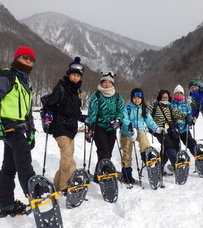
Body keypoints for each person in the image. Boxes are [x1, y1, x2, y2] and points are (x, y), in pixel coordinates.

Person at [0, 46, 36, 217]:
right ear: (16, 58)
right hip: (8, 126)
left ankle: (5, 204)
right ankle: (37, 194)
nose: (28, 61)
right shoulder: (7, 75)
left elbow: (28, 111)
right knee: (23, 159)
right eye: (25, 57)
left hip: (19, 129)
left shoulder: (26, 82)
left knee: (8, 167)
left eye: (31, 59)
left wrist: (32, 131)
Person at [42, 56, 86, 194]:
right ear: (68, 74)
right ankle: (74, 179)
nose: (75, 78)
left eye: (78, 76)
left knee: (67, 158)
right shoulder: (61, 87)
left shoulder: (77, 92)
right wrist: (48, 115)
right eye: (73, 74)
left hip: (71, 128)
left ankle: (59, 185)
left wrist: (83, 118)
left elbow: (76, 112)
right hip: (60, 128)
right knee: (67, 158)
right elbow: (50, 106)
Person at [86, 71, 125, 182]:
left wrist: (118, 120)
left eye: (109, 82)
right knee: (103, 150)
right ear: (101, 83)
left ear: (113, 84)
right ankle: (104, 172)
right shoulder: (97, 96)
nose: (107, 84)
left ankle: (100, 172)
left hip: (111, 128)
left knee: (109, 151)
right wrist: (90, 127)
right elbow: (92, 113)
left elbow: (121, 111)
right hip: (99, 127)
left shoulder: (117, 97)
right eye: (104, 82)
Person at [120, 88, 163, 184]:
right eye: (135, 98)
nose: (137, 100)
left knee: (143, 138)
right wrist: (131, 130)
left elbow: (149, 121)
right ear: (132, 98)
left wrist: (156, 128)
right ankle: (127, 175)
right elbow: (125, 120)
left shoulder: (143, 108)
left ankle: (148, 157)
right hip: (126, 132)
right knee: (127, 153)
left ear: (142, 99)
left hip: (139, 130)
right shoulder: (126, 108)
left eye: (139, 98)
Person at [148, 89, 186, 170]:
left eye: (166, 97)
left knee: (175, 142)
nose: (165, 99)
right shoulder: (154, 106)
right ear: (160, 98)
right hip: (159, 130)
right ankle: (176, 163)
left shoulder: (170, 107)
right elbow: (147, 116)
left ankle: (160, 167)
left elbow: (177, 113)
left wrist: (186, 117)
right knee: (168, 144)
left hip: (170, 129)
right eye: (163, 97)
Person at [170, 85, 197, 156]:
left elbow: (189, 115)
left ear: (183, 94)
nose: (179, 94)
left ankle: (198, 155)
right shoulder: (170, 104)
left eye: (180, 93)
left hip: (184, 129)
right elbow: (168, 117)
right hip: (174, 130)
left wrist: (191, 120)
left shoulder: (186, 105)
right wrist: (173, 121)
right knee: (175, 145)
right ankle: (177, 160)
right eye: (177, 93)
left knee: (190, 142)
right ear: (174, 94)